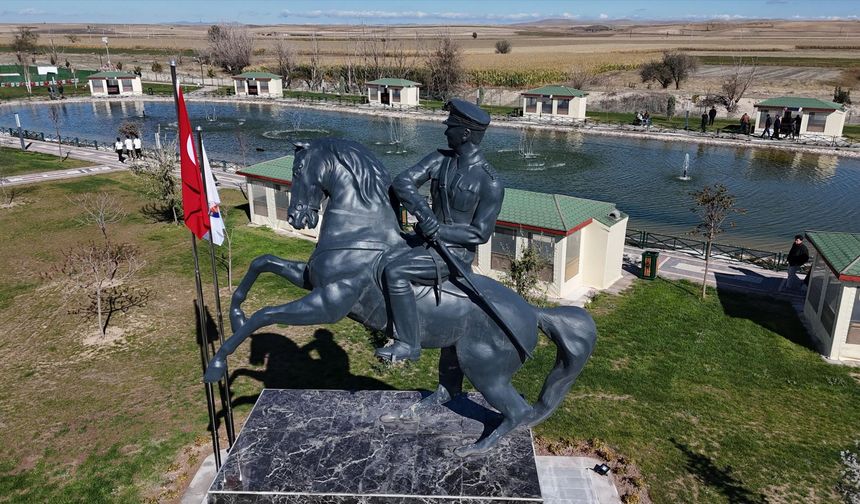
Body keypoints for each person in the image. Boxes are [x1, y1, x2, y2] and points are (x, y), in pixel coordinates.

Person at [376, 99, 504, 362]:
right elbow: (403, 181)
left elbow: (480, 234)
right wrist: (423, 213)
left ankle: (408, 343)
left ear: (466, 133)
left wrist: (439, 232)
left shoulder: (489, 182)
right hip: (424, 241)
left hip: (452, 255)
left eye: (451, 127)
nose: (445, 131)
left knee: (395, 272)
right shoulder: (439, 160)